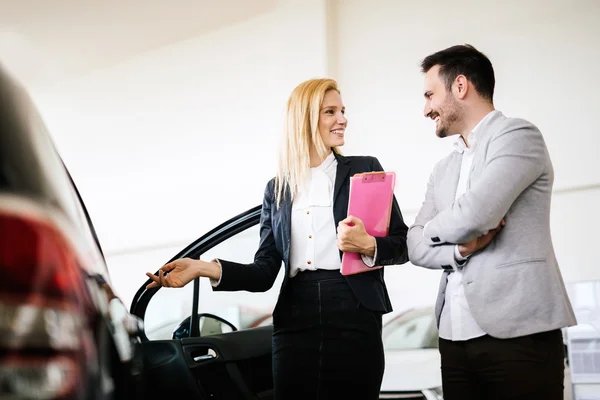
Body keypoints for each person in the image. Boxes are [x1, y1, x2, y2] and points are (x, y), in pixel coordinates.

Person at [146, 78, 409, 399]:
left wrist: (368, 245)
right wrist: (203, 268)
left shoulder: (365, 170)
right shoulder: (278, 189)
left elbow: (401, 243)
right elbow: (264, 271)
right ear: (305, 118)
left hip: (353, 308)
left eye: (342, 110)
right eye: (331, 111)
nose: (343, 119)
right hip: (296, 313)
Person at [407, 44, 577, 400]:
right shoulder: (443, 169)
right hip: (454, 339)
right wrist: (460, 250)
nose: (425, 109)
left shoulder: (518, 136)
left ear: (460, 86)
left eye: (429, 94)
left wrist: (432, 230)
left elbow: (476, 215)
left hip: (519, 335)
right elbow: (414, 246)